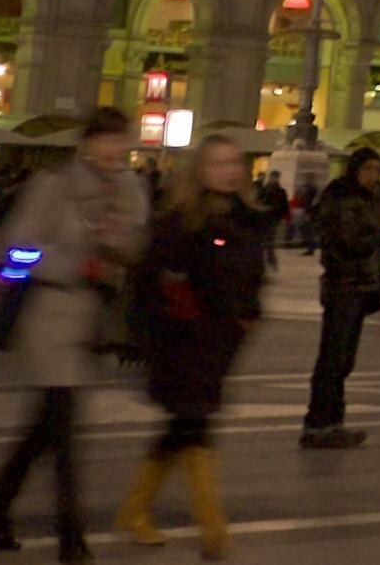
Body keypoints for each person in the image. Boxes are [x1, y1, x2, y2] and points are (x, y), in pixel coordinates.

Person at [0, 106, 151, 558]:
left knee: (45, 428)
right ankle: (71, 538)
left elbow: (138, 249)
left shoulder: (130, 190)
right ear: (86, 144)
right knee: (64, 432)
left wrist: (121, 247)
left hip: (93, 323)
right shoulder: (54, 186)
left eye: (122, 140)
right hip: (49, 320)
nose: (116, 150)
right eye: (107, 140)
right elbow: (16, 253)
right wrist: (77, 264)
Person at [115, 134, 265, 558]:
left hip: (220, 340)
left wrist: (248, 315)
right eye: (219, 163)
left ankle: (136, 508)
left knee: (182, 427)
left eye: (235, 161)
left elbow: (250, 277)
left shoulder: (244, 217)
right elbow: (149, 279)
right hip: (181, 342)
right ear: (200, 170)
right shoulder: (180, 220)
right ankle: (213, 528)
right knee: (194, 424)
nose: (230, 170)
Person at [298, 145, 380, 450]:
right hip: (345, 286)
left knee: (342, 360)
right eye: (367, 169)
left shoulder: (369, 199)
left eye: (377, 170)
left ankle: (332, 422)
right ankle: (319, 423)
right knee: (333, 358)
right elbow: (350, 243)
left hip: (360, 286)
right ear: (354, 169)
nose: (373, 175)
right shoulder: (343, 198)